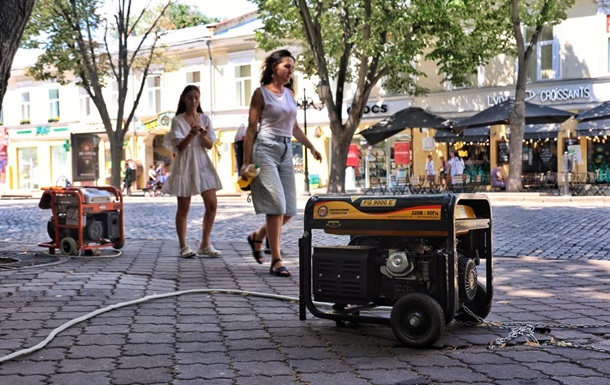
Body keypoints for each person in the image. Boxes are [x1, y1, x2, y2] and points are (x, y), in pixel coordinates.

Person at [241, 49, 322, 277]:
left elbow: (294, 128)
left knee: (289, 210)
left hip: (286, 150)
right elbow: (251, 128)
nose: (290, 72)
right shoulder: (261, 94)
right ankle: (276, 259)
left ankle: (257, 236)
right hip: (264, 150)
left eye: (293, 68)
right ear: (274, 67)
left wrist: (311, 147)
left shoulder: (289, 94)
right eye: (287, 66)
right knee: (276, 205)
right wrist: (246, 162)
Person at [161, 85, 223, 258]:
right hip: (186, 163)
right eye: (190, 98)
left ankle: (205, 243)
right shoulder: (178, 120)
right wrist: (191, 133)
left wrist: (202, 134)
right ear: (183, 99)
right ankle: (183, 246)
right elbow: (179, 147)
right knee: (183, 208)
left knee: (212, 205)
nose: (193, 101)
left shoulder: (205, 118)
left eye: (196, 97)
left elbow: (210, 145)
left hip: (202, 163)